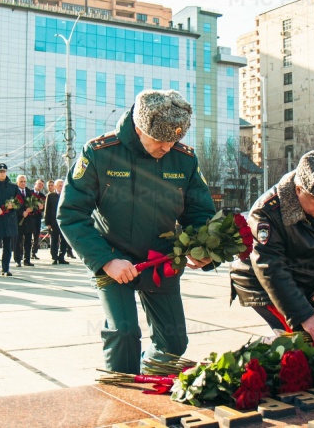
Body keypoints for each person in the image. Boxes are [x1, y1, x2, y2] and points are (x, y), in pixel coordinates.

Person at [58, 89, 216, 374]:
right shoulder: (100, 153)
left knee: (174, 342)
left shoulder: (184, 159)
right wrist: (106, 261)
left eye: (174, 140)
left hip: (161, 260)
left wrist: (199, 246)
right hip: (112, 259)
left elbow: (199, 212)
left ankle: (147, 378)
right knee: (124, 333)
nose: (167, 148)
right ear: (140, 128)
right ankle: (123, 402)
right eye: (160, 140)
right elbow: (70, 213)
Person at [230, 151, 314, 342]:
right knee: (297, 340)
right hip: (261, 283)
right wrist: (304, 315)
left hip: (297, 281)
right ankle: (246, 364)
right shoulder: (267, 212)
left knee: (303, 342)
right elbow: (270, 267)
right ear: (298, 189)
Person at [45, 180, 70, 264]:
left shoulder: (67, 194)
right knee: (54, 240)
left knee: (64, 240)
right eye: (59, 185)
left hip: (64, 222)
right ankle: (54, 257)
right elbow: (47, 210)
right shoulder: (51, 196)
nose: (61, 187)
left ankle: (61, 256)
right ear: (55, 187)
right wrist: (47, 223)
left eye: (62, 185)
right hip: (53, 222)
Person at [14, 175, 36, 267]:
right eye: (21, 181)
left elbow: (34, 204)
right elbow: (13, 206)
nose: (23, 183)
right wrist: (21, 212)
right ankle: (17, 259)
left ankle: (27, 259)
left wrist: (32, 208)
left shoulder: (29, 192)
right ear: (17, 182)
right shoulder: (14, 192)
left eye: (24, 181)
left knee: (28, 241)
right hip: (18, 221)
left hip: (28, 221)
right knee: (18, 241)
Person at [31, 179, 46, 259]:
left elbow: (44, 209)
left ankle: (34, 252)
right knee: (27, 235)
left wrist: (42, 207)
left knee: (36, 235)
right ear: (35, 184)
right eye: (39, 184)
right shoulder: (29, 193)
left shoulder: (42, 196)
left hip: (37, 217)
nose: (40, 186)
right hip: (29, 217)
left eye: (42, 185)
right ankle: (24, 252)